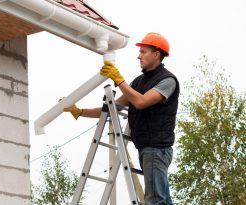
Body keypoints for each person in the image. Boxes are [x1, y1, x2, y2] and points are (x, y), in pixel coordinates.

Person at [64, 32, 179, 205]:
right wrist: (80, 111)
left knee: (156, 201)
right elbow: (112, 109)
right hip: (146, 147)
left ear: (157, 54)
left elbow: (141, 102)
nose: (138, 56)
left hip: (156, 148)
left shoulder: (167, 80)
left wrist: (119, 80)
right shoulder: (139, 82)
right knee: (162, 200)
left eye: (144, 51)